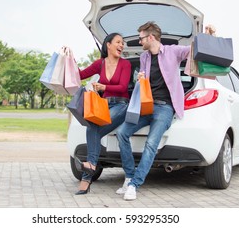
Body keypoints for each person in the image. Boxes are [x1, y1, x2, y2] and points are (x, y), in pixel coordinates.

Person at [116, 21, 190, 201]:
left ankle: (134, 185)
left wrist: (208, 36)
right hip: (145, 105)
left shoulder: (173, 51)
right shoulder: (144, 57)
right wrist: (140, 78)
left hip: (164, 107)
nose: (140, 42)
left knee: (151, 144)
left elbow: (193, 49)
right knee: (122, 133)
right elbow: (143, 79)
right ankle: (129, 176)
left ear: (151, 37)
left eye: (141, 38)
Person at [74, 33, 131, 195]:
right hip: (104, 105)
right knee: (92, 127)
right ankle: (90, 169)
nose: (122, 45)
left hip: (121, 104)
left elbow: (123, 87)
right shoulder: (100, 63)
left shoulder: (125, 64)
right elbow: (79, 75)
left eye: (123, 43)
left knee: (94, 126)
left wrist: (103, 87)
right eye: (118, 42)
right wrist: (69, 58)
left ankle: (86, 178)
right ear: (108, 45)